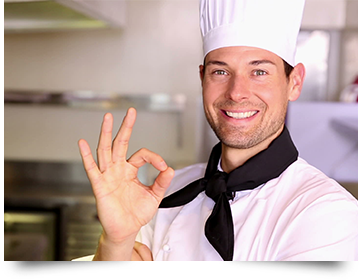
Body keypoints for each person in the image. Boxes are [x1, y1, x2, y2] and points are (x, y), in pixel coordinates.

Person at [76, 0, 359, 261]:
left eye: (259, 72)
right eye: (220, 71)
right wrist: (116, 241)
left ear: (294, 82)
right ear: (202, 78)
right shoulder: (166, 190)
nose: (237, 93)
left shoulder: (326, 212)